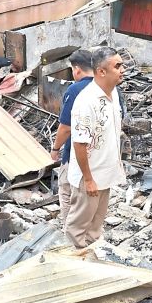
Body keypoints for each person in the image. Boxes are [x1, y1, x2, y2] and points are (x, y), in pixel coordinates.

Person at [65, 48, 126, 248]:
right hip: (89, 177)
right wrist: (88, 179)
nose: (123, 70)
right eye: (117, 66)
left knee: (95, 226)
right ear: (101, 71)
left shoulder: (113, 93)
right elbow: (79, 143)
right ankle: (74, 259)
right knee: (78, 227)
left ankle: (90, 255)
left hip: (105, 174)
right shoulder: (86, 101)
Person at [51, 49, 96, 226]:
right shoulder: (109, 88)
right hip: (100, 154)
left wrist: (55, 149)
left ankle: (70, 231)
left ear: (76, 69)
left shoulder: (75, 90)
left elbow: (66, 127)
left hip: (76, 154)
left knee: (67, 191)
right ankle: (89, 229)